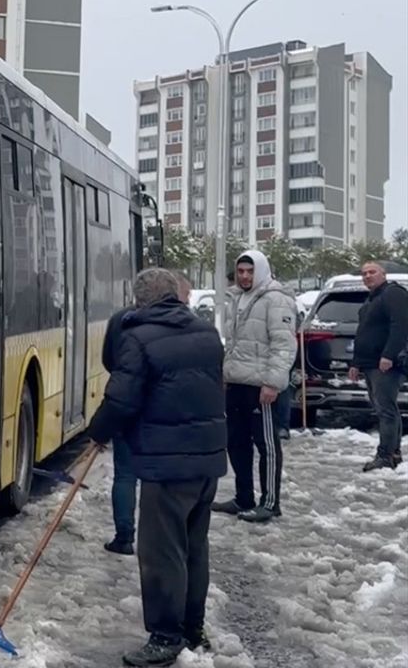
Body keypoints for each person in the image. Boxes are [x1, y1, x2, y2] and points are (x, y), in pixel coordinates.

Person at [87, 268, 227, 666]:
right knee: (194, 548)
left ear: (140, 300)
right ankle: (192, 629)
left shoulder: (138, 337)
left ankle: (166, 636)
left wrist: (98, 433)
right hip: (207, 459)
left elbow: (121, 399)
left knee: (162, 552)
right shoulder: (205, 333)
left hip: (168, 463)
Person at [102, 272, 193, 557]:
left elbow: (109, 359)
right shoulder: (182, 324)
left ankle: (124, 535)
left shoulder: (120, 320)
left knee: (125, 473)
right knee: (155, 477)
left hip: (126, 405)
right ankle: (156, 538)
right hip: (161, 411)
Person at [213, 250, 296, 524]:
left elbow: (283, 345)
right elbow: (233, 343)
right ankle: (243, 497)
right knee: (236, 443)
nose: (245, 276)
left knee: (267, 445)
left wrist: (272, 382)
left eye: (250, 271)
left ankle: (270, 503)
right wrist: (225, 374)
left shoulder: (276, 298)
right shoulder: (236, 297)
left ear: (260, 270)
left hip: (261, 386)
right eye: (241, 271)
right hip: (236, 383)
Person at [349, 260, 408, 471]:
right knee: (385, 409)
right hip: (370, 363)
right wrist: (356, 363)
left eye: (372, 272)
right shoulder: (372, 299)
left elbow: (400, 326)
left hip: (386, 364)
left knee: (386, 410)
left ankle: (385, 456)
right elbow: (364, 333)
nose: (367, 276)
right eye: (364, 273)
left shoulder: (393, 294)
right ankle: (393, 453)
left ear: (383, 274)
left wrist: (389, 355)